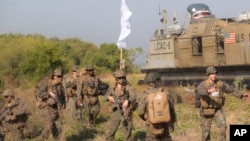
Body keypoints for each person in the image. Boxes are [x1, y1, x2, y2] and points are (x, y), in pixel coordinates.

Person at [196, 66, 249, 141]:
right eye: (212, 74)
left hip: (217, 110)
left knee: (222, 125)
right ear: (208, 75)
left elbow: (230, 89)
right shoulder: (203, 84)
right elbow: (199, 91)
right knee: (206, 132)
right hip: (206, 110)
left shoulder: (220, 84)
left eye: (215, 73)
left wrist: (241, 94)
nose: (214, 75)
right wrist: (208, 91)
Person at [137, 72, 177, 141]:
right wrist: (172, 122)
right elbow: (172, 110)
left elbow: (140, 112)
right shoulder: (165, 93)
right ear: (157, 81)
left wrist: (147, 118)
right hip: (165, 125)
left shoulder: (144, 95)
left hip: (151, 125)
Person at [105, 69, 137, 141]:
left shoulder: (128, 86)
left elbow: (134, 96)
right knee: (111, 131)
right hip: (116, 110)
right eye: (119, 78)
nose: (121, 79)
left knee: (127, 131)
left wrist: (127, 101)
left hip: (126, 111)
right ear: (116, 78)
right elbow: (106, 95)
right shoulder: (113, 87)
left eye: (123, 77)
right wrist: (110, 97)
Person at [37, 68, 66, 141]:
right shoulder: (48, 83)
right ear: (54, 76)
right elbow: (39, 94)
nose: (60, 78)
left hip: (56, 108)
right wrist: (49, 94)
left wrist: (63, 103)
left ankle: (58, 139)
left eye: (61, 76)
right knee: (48, 127)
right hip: (47, 108)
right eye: (58, 76)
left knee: (58, 127)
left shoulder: (60, 85)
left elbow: (62, 95)